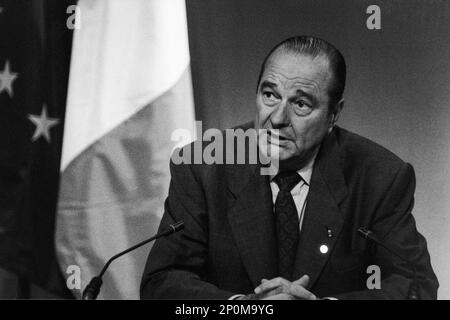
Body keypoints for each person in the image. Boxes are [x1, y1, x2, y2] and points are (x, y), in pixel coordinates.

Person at [140, 36, 438, 299]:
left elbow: (416, 284)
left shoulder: (379, 177)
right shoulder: (204, 166)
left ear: (334, 114)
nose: (278, 117)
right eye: (269, 95)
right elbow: (162, 282)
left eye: (301, 104)